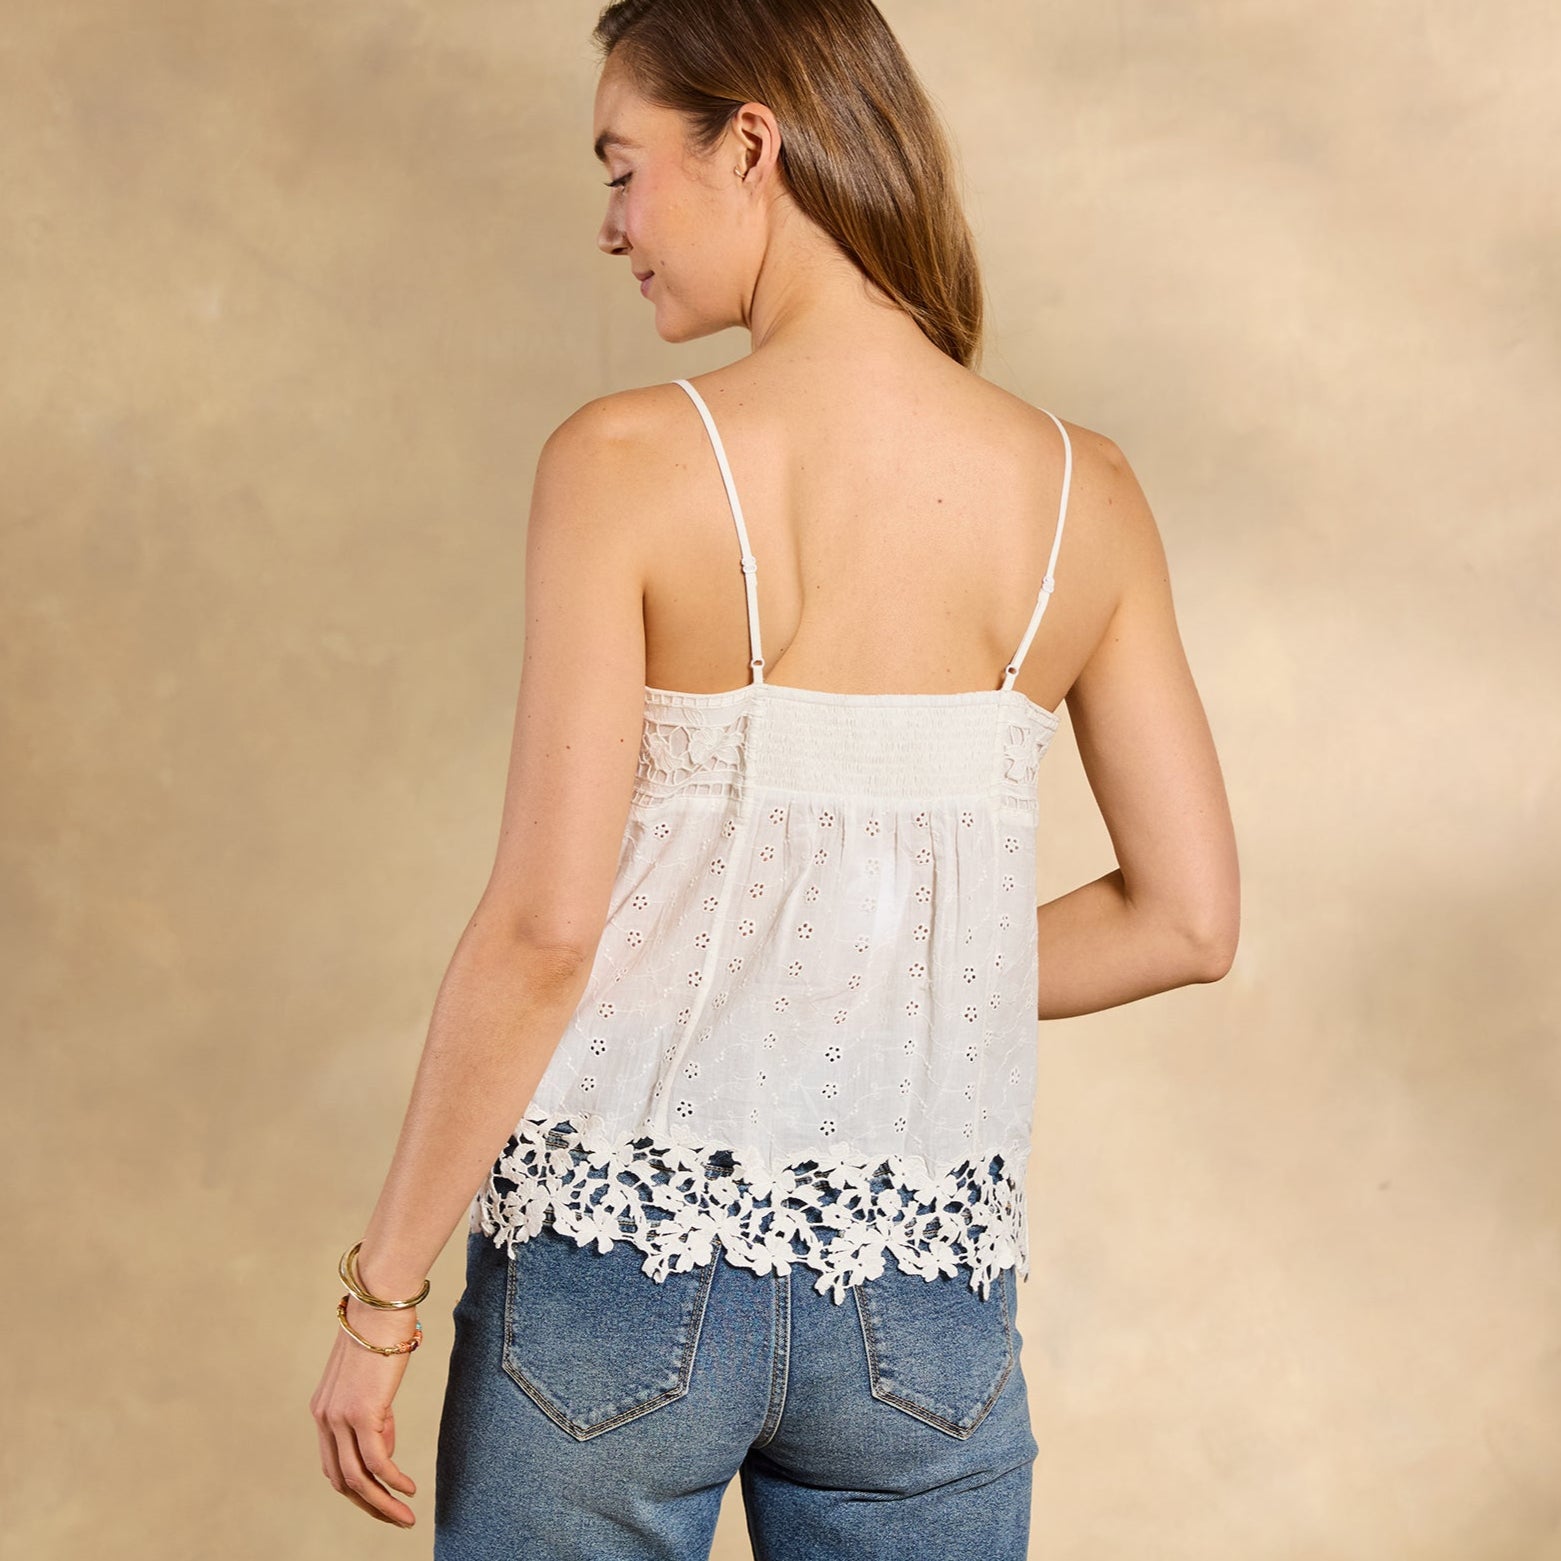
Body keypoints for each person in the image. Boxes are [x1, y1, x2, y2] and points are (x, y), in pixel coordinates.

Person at [309, 0, 1240, 1555]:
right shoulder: (1088, 492)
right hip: (923, 1301)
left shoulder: (623, 461)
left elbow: (544, 930)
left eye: (623, 167)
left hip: (615, 1267)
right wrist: (878, 982)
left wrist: (381, 1290)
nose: (611, 227)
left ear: (750, 142)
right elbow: (1185, 920)